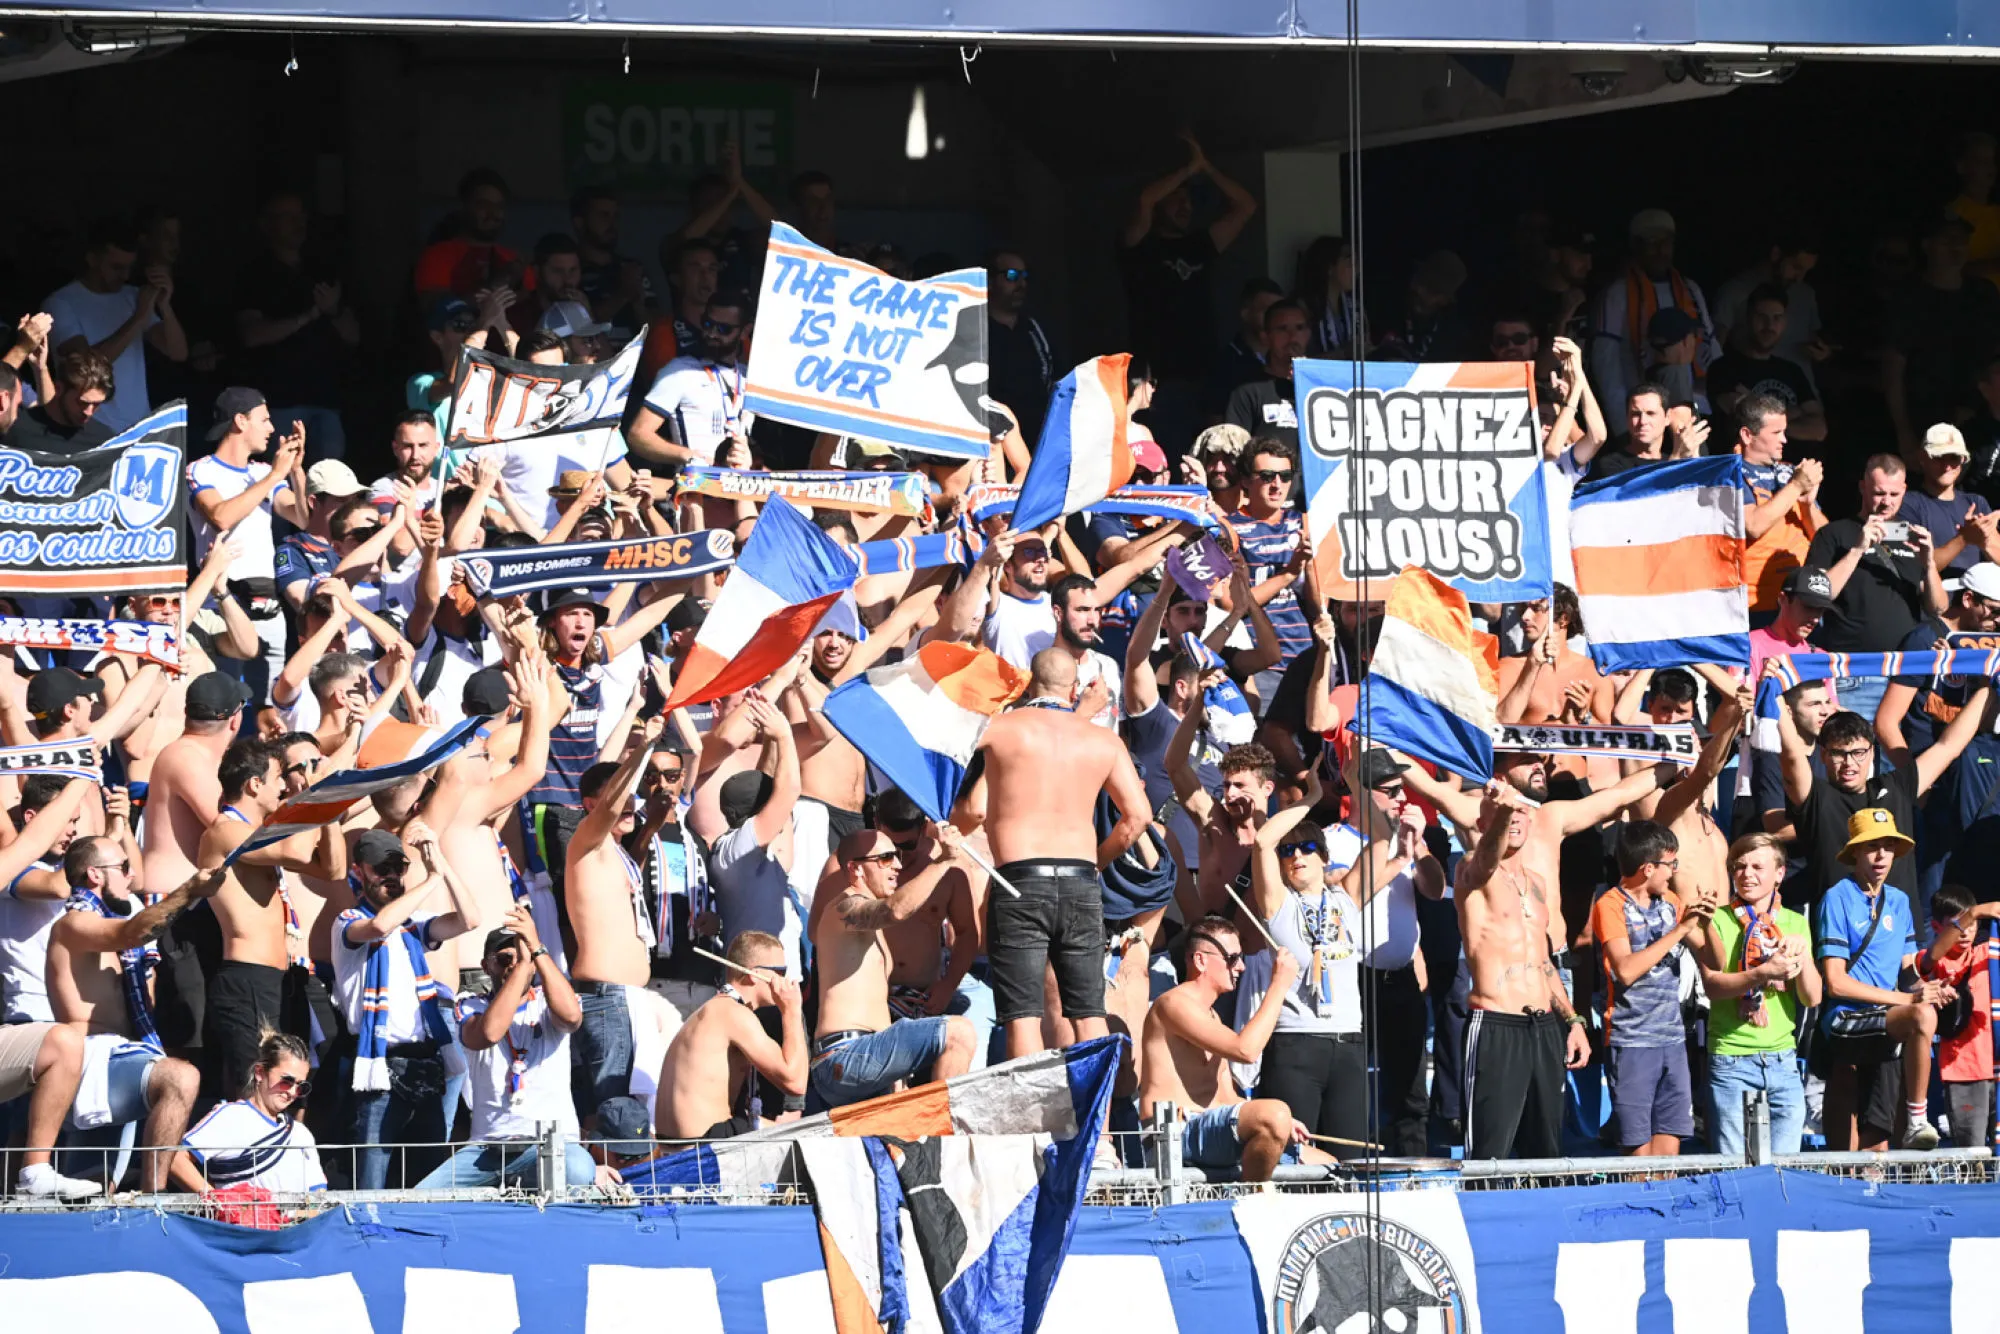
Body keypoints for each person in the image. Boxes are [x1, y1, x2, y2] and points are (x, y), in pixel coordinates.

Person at [967, 648, 1149, 1059]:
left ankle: (1031, 1122)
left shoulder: (999, 729)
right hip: (1080, 879)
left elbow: (972, 806)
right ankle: (1098, 1124)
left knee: (1023, 1017)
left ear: (1030, 683)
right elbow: (1138, 816)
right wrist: (1097, 863)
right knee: (1089, 1013)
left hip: (1018, 880)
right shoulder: (1103, 740)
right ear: (1074, 689)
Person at [47, 840, 217, 1190]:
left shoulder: (106, 924)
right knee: (181, 1078)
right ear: (94, 874)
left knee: (95, 1187)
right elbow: (130, 933)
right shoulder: (73, 924)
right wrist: (188, 891)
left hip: (123, 1057)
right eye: (124, 867)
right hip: (90, 1060)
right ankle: (152, 1197)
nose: (133, 875)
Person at [196, 739, 346, 1101]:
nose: (285, 787)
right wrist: (316, 795)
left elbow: (334, 868)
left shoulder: (259, 831)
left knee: (290, 1095)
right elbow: (295, 851)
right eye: (279, 777)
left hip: (280, 982)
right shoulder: (223, 831)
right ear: (254, 784)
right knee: (256, 1096)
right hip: (246, 980)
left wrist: (329, 806)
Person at [335, 823, 479, 1188]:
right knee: (372, 1174)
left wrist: (440, 864)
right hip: (377, 1062)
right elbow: (381, 924)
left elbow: (470, 919)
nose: (393, 877)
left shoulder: (414, 925)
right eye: (382, 869)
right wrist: (430, 880)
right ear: (359, 872)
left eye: (399, 868)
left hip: (423, 1061)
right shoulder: (347, 921)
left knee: (427, 1172)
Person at [1137, 915, 1332, 1181]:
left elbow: (1227, 1098)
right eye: (1232, 958)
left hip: (1208, 1129)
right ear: (1200, 960)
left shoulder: (1212, 1017)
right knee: (1274, 1114)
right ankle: (1250, 1201)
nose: (1240, 967)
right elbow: (1246, 1051)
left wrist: (1286, 1124)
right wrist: (1278, 985)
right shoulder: (1173, 1004)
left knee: (1330, 1165)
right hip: (1174, 1133)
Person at [419, 908, 604, 1189]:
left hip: (551, 1144)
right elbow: (489, 1033)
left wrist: (538, 951)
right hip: (487, 1150)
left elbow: (571, 1018)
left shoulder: (547, 998)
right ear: (486, 966)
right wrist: (523, 966)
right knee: (422, 1199)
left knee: (577, 1173)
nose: (513, 965)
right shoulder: (471, 1004)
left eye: (521, 959)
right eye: (504, 959)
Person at [1455, 782, 1591, 1160]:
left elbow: (1543, 961)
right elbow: (1485, 861)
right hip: (1496, 1025)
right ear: (1484, 819)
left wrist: (1574, 1020)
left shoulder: (1537, 883)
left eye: (1521, 813)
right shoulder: (1471, 868)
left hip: (1543, 1026)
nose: (1514, 818)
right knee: (1488, 1151)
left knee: (1546, 1150)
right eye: (1504, 813)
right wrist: (1500, 812)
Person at [806, 826, 978, 1110]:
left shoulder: (870, 927)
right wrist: (943, 861)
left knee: (894, 1147)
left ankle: (927, 1143)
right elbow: (894, 911)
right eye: (886, 858)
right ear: (856, 868)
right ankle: (941, 1137)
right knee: (959, 1033)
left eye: (897, 856)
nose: (898, 865)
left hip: (866, 1055)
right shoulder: (845, 907)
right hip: (844, 1055)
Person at [1119, 133, 1258, 452]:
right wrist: (1186, 169)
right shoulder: (1140, 246)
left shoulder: (1199, 245)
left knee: (1209, 455)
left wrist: (1205, 167)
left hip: (1204, 372)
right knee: (1164, 457)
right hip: (1157, 379)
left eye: (1190, 200)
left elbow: (1246, 206)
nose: (1185, 206)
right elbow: (1145, 201)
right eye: (1177, 198)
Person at [1814, 809, 1942, 1151]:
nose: (1881, 854)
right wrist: (1909, 1001)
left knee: (1877, 1142)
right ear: (1854, 852)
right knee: (1920, 1015)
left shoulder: (1899, 901)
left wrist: (1927, 989)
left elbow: (1906, 971)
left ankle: (1912, 1122)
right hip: (1845, 1018)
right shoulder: (1837, 897)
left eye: (1888, 846)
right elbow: (1836, 983)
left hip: (1886, 1018)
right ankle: (1918, 1120)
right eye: (1872, 846)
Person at [565, 716, 670, 1120]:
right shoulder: (586, 842)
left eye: (633, 795)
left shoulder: (618, 852)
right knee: (615, 1115)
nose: (630, 803)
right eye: (621, 793)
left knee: (634, 1115)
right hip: (607, 1000)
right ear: (591, 805)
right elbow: (611, 807)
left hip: (628, 1000)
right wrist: (642, 750)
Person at [1590, 822, 1709, 1157]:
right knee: (1638, 1160)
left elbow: (1710, 954)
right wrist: (1679, 931)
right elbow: (1625, 970)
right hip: (1632, 1043)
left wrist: (1707, 921)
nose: (1675, 871)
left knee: (1668, 1157)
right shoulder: (1610, 904)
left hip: (1672, 1041)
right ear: (1648, 868)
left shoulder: (1671, 901)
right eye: (1670, 864)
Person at [1697, 833, 1819, 1156]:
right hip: (1730, 1059)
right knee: (1734, 1170)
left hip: (1782, 1059)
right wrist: (1764, 972)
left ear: (1780, 873)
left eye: (1757, 866)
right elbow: (1712, 984)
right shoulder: (1717, 918)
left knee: (1785, 1170)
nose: (1747, 874)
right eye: (1739, 867)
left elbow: (1812, 997)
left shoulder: (1794, 922)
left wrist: (1802, 956)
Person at [1804, 455, 1947, 725]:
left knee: (1904, 760)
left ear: (1904, 490)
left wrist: (1929, 562)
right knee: (1856, 758)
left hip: (1909, 673)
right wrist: (1858, 548)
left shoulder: (1911, 536)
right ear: (1863, 488)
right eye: (1879, 493)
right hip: (1857, 673)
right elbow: (1818, 593)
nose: (1886, 501)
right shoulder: (1835, 534)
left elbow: (1938, 607)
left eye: (1894, 494)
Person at [233, 190, 359, 461]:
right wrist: (311, 315)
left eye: (300, 216)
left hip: (327, 399)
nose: (298, 224)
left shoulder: (322, 270)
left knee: (328, 490)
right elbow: (252, 334)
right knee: (279, 487)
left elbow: (353, 335)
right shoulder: (255, 274)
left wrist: (333, 310)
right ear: (266, 224)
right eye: (287, 217)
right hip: (279, 402)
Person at [654, 929, 805, 1140]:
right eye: (780, 972)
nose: (785, 979)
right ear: (755, 975)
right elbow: (795, 1083)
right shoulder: (734, 1014)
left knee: (793, 1135)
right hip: (704, 1146)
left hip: (687, 1142)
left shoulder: (715, 1009)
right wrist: (792, 1011)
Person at [45, 214, 187, 434]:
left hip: (138, 427)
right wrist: (138, 318)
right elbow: (84, 367)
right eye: (116, 267)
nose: (125, 275)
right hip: (88, 427)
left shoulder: (131, 296)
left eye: (129, 268)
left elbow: (177, 352)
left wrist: (165, 306)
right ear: (92, 259)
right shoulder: (61, 303)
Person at [1589, 209, 1720, 422]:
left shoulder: (1690, 289)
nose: (1660, 250)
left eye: (1665, 242)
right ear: (1636, 247)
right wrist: (1622, 425)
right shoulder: (1618, 294)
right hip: (1643, 415)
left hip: (1695, 405)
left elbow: (1711, 346)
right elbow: (1607, 364)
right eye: (1652, 242)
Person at [1886, 211, 2000, 458]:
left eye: (1962, 240)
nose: (1957, 246)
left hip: (1982, 421)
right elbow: (1894, 369)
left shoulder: (1983, 295)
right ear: (1927, 246)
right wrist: (1904, 433)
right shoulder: (1909, 299)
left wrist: (1975, 403)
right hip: (1927, 422)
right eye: (1948, 239)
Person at [171, 1031, 326, 1195]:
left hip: (299, 1220)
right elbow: (175, 1159)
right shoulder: (231, 1117)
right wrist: (217, 1200)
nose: (292, 1092)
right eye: (287, 1081)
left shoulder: (301, 1133)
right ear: (260, 1073)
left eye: (301, 1086)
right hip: (242, 1220)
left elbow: (318, 1192)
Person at [629, 289, 755, 468]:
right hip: (696, 488)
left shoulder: (749, 377)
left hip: (740, 487)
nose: (712, 334)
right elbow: (638, 435)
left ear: (745, 331)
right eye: (708, 324)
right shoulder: (678, 371)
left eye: (723, 329)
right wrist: (688, 456)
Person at [1919, 883, 2000, 1148]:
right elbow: (1930, 956)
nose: (1966, 932)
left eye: (1972, 925)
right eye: (1959, 925)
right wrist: (1975, 912)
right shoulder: (1934, 961)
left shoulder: (1989, 954)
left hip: (1995, 1065)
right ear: (1936, 927)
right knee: (1971, 1154)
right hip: (1963, 1071)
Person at [1734, 393, 1826, 617]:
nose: (1784, 439)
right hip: (1758, 605)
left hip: (1803, 598)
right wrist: (1795, 487)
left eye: (1784, 431)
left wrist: (1807, 505)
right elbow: (1753, 525)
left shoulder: (1791, 471)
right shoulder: (1730, 473)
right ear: (1747, 435)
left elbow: (1824, 538)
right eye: (1776, 433)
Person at [1707, 285, 1827, 441]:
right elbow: (1739, 422)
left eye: (1777, 318)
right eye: (1761, 317)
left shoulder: (1792, 370)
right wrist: (1795, 412)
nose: (1769, 325)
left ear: (1785, 322)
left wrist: (1764, 423)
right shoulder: (1723, 368)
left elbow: (1819, 429)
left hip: (1802, 464)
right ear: (1748, 318)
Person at [1899, 424, 1999, 579]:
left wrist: (1984, 540)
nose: (1947, 466)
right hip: (1935, 601)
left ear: (1963, 461)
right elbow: (1913, 564)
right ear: (1922, 457)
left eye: (1954, 458)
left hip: (1978, 601)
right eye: (1939, 457)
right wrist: (1964, 538)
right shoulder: (1905, 504)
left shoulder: (1977, 503)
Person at [414, 167, 524, 306]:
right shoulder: (438, 255)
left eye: (499, 206)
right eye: (483, 205)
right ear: (464, 207)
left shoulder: (513, 259)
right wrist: (497, 286)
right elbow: (437, 312)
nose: (493, 213)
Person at [1223, 298, 1310, 456]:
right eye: (1283, 329)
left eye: (1299, 328)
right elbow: (1235, 451)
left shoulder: (1322, 387)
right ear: (1265, 337)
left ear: (1308, 334)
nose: (1292, 336)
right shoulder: (1248, 391)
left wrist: (1306, 382)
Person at [986, 248, 1055, 446]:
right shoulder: (975, 328)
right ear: (990, 281)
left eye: (1025, 276)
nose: (1021, 284)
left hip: (1038, 439)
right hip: (993, 441)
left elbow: (1054, 378)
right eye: (1011, 276)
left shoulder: (1036, 329)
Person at [2, 346, 116, 454]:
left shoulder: (104, 443)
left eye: (96, 404)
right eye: (82, 403)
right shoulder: (14, 429)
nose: (89, 412)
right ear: (58, 389)